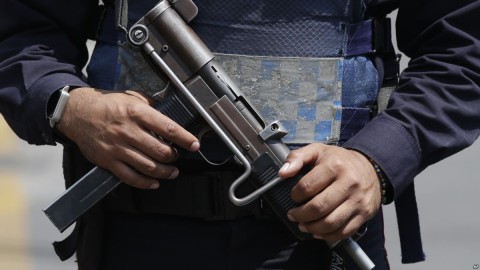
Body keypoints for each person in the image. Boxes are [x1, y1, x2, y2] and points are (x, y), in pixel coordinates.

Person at [1, 0, 480, 269]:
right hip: (138, 233)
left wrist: (377, 160)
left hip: (315, 238)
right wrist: (68, 105)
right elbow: (21, 33)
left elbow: (464, 50)